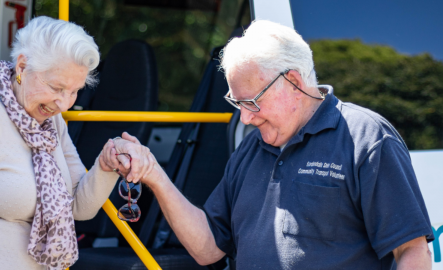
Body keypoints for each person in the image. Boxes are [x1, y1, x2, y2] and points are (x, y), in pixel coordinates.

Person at [121, 20, 434, 269]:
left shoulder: (366, 139)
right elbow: (208, 250)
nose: (243, 118)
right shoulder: (250, 149)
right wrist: (155, 177)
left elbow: (413, 253)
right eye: (236, 103)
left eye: (252, 102)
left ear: (294, 83)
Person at [0, 16, 153, 270]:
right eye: (56, 87)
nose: (64, 104)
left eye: (74, 91)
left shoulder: (50, 119)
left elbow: (77, 207)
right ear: (22, 67)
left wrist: (106, 165)